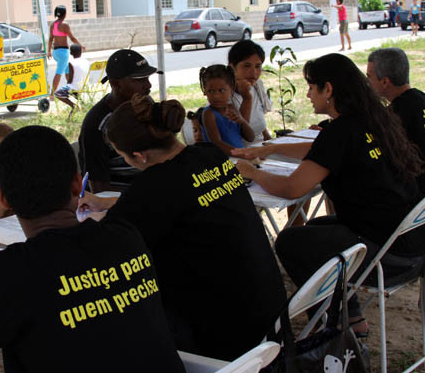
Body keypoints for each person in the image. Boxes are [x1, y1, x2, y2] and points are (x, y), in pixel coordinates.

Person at [0, 126, 186, 373]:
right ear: (77, 183)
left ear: (5, 200)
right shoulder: (125, 237)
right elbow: (58, 278)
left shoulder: (8, 276)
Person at [232, 53, 425, 338]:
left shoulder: (341, 131)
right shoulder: (373, 119)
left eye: (311, 86)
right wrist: (267, 150)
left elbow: (293, 189)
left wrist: (252, 173)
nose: (307, 94)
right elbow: (322, 150)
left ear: (328, 89)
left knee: (290, 242)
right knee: (315, 230)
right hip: (415, 243)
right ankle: (350, 315)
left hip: (387, 256)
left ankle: (333, 322)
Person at [79, 95, 286, 360]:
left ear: (139, 156)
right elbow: (178, 197)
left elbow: (102, 248)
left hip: (227, 336)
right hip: (270, 314)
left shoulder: (154, 188)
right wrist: (106, 202)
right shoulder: (209, 155)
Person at [367, 48, 425, 195]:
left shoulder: (400, 110)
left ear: (384, 81)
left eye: (369, 77)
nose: (367, 83)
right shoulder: (421, 98)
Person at [78, 49, 159, 192]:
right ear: (116, 84)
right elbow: (99, 188)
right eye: (140, 80)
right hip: (124, 200)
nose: (148, 85)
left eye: (147, 78)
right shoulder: (96, 125)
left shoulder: (145, 102)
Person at [200, 64, 255, 155]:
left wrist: (242, 121)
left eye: (221, 90)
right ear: (205, 91)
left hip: (239, 159)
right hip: (222, 163)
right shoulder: (208, 114)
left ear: (231, 89)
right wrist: (242, 154)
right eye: (211, 91)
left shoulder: (232, 109)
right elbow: (217, 143)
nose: (216, 96)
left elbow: (250, 137)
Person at [228, 40, 272, 144]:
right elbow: (243, 133)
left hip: (260, 149)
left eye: (258, 66)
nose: (254, 72)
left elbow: (261, 127)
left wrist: (273, 144)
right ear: (232, 67)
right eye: (247, 66)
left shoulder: (257, 86)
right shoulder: (224, 94)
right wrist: (247, 98)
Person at [47, 5, 85, 98]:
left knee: (68, 71)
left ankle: (70, 90)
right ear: (64, 14)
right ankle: (52, 94)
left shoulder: (53, 25)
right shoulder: (65, 24)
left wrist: (49, 51)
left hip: (56, 52)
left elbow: (50, 39)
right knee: (59, 72)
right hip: (63, 52)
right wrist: (80, 45)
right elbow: (72, 38)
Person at [54, 43, 91, 114]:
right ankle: (83, 104)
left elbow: (69, 79)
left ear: (70, 53)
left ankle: (73, 106)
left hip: (75, 87)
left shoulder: (71, 63)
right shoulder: (86, 61)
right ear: (81, 52)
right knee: (73, 90)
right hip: (85, 85)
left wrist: (68, 84)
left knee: (57, 93)